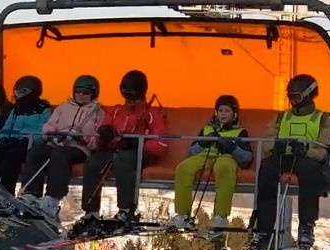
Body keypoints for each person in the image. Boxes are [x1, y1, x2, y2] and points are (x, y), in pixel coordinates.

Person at [246, 74, 330, 250]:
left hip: (307, 158)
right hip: (283, 155)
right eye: (291, 96)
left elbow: (324, 148)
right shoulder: (281, 117)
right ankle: (264, 228)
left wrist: (306, 150)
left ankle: (306, 226)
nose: (293, 101)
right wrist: (275, 147)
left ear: (309, 95)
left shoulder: (323, 118)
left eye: (297, 97)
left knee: (310, 174)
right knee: (267, 170)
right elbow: (269, 139)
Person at [77, 70, 168, 228]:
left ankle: (126, 210)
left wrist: (137, 143)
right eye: (126, 96)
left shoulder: (151, 113)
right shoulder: (117, 111)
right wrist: (104, 135)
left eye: (133, 96)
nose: (129, 100)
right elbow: (101, 139)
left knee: (123, 161)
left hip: (139, 153)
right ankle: (91, 212)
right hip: (116, 149)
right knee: (93, 162)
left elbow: (161, 144)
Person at [16, 74, 105, 219]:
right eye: (78, 91)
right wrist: (51, 135)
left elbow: (97, 140)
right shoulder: (63, 107)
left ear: (93, 94)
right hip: (56, 142)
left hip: (79, 148)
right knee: (37, 151)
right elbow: (49, 125)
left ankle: (52, 199)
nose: (81, 95)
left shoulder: (97, 113)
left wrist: (83, 138)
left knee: (60, 154)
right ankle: (31, 194)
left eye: (86, 92)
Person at [171, 95, 254, 230]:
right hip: (205, 155)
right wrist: (203, 143)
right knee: (183, 167)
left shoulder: (240, 132)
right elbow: (191, 152)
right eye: (220, 110)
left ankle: (220, 216)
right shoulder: (207, 129)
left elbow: (247, 158)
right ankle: (182, 214)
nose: (223, 114)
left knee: (223, 167)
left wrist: (232, 148)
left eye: (227, 111)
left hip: (226, 157)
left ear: (234, 114)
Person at [0, 76, 52, 195]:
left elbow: (43, 131)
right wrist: (3, 138)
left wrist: (30, 140)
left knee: (11, 158)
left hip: (28, 145)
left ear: (33, 92)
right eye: (16, 92)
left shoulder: (43, 110)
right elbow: (6, 127)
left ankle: (6, 192)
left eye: (22, 92)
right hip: (11, 142)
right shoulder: (15, 110)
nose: (18, 96)